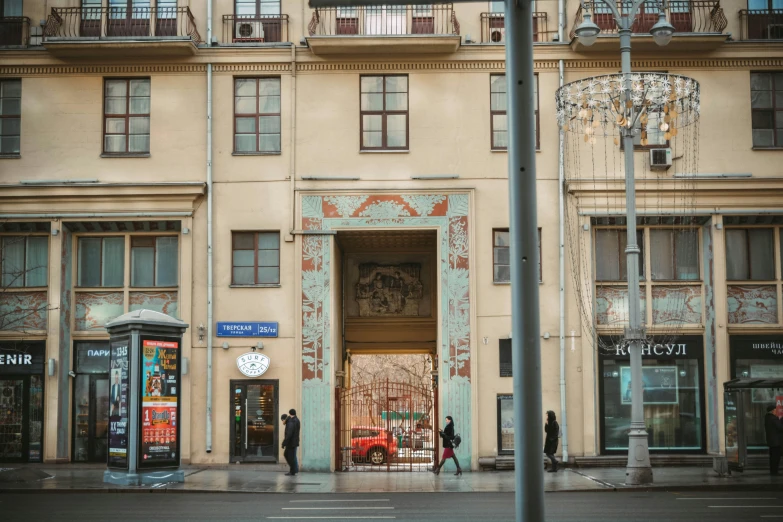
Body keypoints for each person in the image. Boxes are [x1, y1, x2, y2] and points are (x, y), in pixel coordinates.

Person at [765, 404, 783, 475]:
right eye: (776, 410)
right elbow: (780, 428)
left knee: (772, 457)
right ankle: (774, 472)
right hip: (776, 442)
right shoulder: (773, 418)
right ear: (772, 411)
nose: (777, 411)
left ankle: (773, 471)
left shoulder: (767, 418)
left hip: (771, 441)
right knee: (776, 457)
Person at [282, 408, 300, 476]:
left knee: (289, 456)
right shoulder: (296, 420)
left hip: (291, 442)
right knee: (291, 456)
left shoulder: (291, 422)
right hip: (294, 442)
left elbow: (289, 434)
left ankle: (293, 470)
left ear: (289, 413)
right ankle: (294, 470)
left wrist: (284, 443)